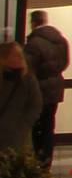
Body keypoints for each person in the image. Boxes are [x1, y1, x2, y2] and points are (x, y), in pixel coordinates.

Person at [24, 12, 66, 165]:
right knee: (49, 126)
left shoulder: (34, 43)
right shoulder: (60, 40)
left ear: (34, 22)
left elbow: (28, 68)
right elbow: (64, 63)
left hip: (39, 89)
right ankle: (47, 158)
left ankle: (38, 159)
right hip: (55, 88)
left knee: (37, 127)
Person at [0, 43, 40, 159]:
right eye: (16, 55)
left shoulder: (27, 78)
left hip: (18, 134)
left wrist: (24, 124)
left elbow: (35, 104)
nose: (20, 58)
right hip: (9, 130)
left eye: (20, 55)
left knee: (15, 165)